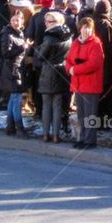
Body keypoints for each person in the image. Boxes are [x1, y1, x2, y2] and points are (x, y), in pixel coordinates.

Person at [66, 17, 104, 148]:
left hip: (90, 84)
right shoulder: (76, 42)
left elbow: (94, 64)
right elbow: (69, 59)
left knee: (90, 115)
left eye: (89, 28)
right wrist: (70, 68)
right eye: (84, 27)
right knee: (81, 114)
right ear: (80, 29)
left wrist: (75, 69)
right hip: (78, 84)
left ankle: (90, 140)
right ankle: (82, 138)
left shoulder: (96, 43)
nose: (86, 30)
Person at [36, 11, 72, 143]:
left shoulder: (49, 37)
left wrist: (37, 48)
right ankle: (56, 135)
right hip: (62, 71)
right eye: (46, 21)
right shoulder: (68, 36)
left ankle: (46, 134)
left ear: (57, 22)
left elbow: (40, 56)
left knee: (46, 105)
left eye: (49, 21)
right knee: (57, 106)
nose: (46, 24)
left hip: (48, 71)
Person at [0, 10, 29, 136]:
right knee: (16, 100)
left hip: (18, 69)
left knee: (13, 98)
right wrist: (23, 47)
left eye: (18, 20)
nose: (16, 23)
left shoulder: (20, 34)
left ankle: (10, 126)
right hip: (13, 70)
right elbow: (6, 53)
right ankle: (20, 128)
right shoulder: (8, 35)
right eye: (13, 20)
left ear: (22, 21)